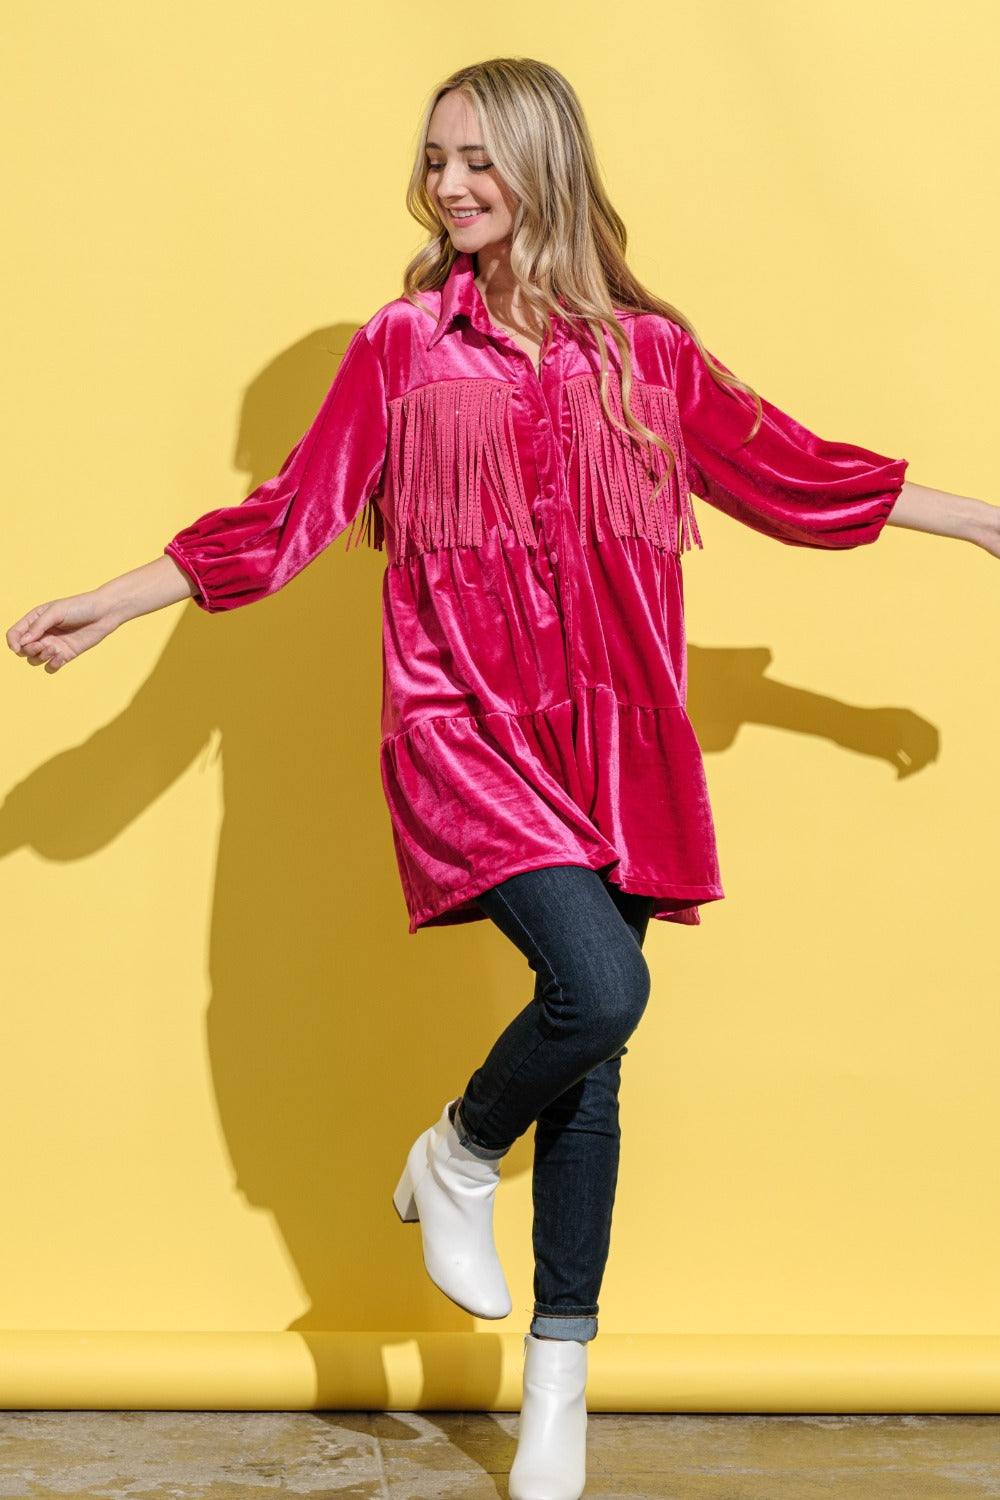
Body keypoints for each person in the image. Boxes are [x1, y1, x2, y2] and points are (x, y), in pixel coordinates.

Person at [7, 55, 998, 1500]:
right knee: (600, 992)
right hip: (464, 724)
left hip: (618, 739)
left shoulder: (650, 357)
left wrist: (974, 519)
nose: (450, 184)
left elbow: (785, 468)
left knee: (590, 1066)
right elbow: (287, 517)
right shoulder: (401, 347)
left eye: (476, 157)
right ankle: (460, 1154)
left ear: (543, 162)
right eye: (435, 160)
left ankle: (557, 1399)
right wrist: (114, 601)